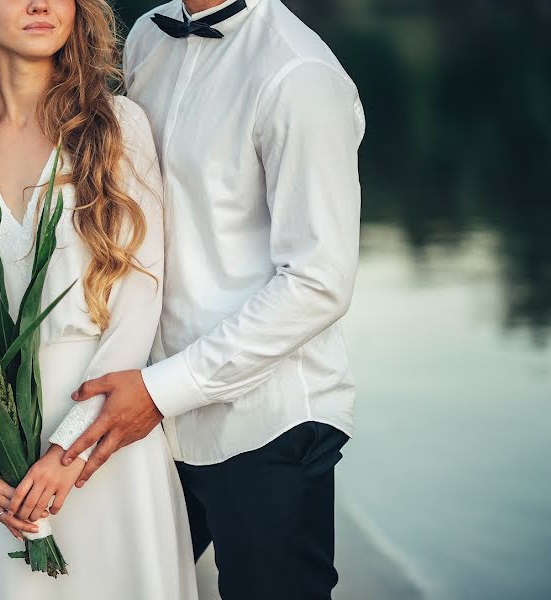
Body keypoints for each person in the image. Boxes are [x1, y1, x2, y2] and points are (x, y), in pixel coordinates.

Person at [57, 0, 366, 598]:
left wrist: (161, 389)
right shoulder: (148, 35)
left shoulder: (299, 75)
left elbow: (319, 282)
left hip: (265, 423)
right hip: (147, 409)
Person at [0, 1, 199, 598]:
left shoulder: (118, 126)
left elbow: (141, 299)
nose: (39, 4)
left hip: (102, 443)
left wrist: (69, 449)